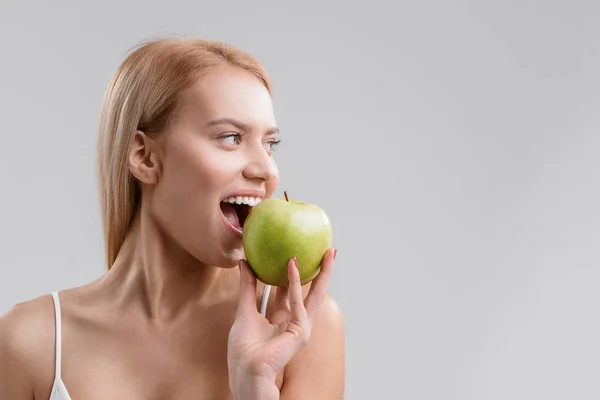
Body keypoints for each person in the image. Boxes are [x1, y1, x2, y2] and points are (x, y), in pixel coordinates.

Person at [0, 37, 345, 399]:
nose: (266, 169)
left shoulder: (298, 327)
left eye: (269, 144)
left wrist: (257, 386)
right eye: (230, 137)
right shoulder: (29, 344)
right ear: (145, 157)